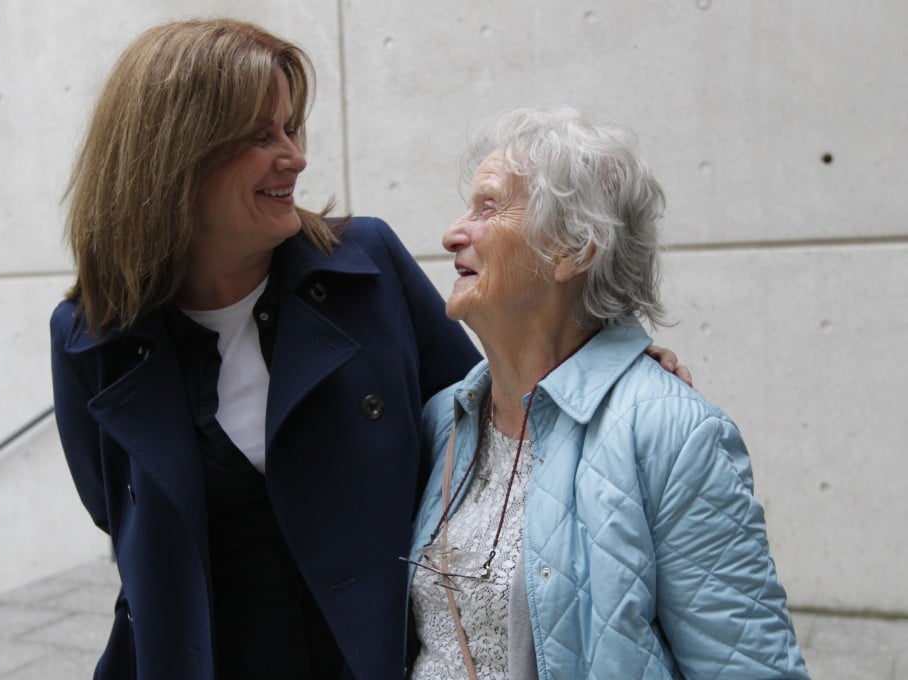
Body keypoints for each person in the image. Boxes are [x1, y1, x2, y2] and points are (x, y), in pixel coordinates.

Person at [50, 17, 687, 679]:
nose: (294, 156)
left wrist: (607, 366)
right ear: (175, 153)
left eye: (292, 128)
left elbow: (498, 419)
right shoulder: (88, 340)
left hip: (371, 660)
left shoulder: (366, 268)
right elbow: (120, 519)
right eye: (260, 135)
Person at [406, 107, 809, 679]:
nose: (452, 233)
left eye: (489, 207)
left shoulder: (671, 432)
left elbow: (747, 667)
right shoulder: (444, 421)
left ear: (574, 249)